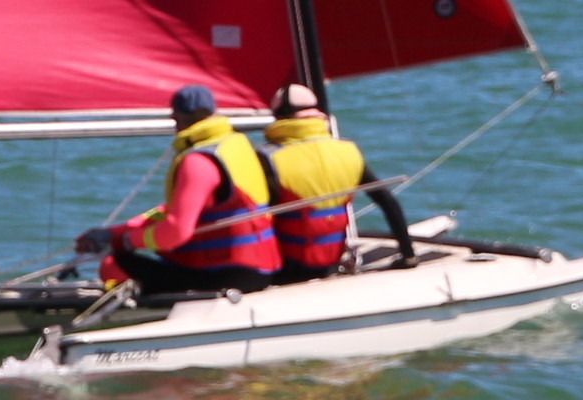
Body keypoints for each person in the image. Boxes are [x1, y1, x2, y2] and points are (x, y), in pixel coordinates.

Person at [77, 83, 281, 295]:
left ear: (180, 118)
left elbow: (176, 232)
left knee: (112, 264)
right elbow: (175, 210)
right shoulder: (236, 144)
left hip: (225, 276)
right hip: (261, 271)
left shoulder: (199, 161)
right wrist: (113, 233)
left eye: (174, 119)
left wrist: (125, 241)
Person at [259, 83, 415, 281]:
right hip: (331, 263)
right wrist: (408, 254)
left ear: (279, 117)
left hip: (287, 271)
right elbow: (387, 202)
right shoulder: (348, 151)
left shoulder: (268, 158)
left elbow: (258, 219)